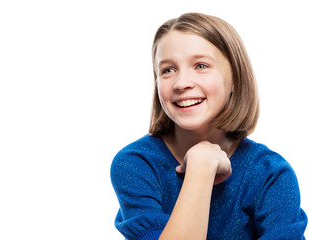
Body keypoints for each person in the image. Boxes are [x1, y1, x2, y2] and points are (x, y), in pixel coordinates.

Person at [110, 12, 308, 240]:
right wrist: (201, 167)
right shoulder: (136, 165)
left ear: (235, 78)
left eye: (201, 65)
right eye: (167, 70)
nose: (181, 83)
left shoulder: (270, 174)